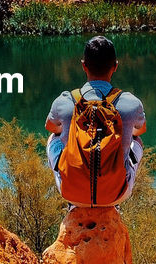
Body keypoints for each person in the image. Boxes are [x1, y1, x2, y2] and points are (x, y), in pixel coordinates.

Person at [45, 36, 146, 208]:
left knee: (53, 138)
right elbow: (140, 130)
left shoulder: (65, 100)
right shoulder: (131, 103)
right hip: (117, 194)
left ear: (84, 65)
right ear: (115, 66)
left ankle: (75, 199)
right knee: (136, 140)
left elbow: (50, 126)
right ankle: (111, 199)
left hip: (71, 193)